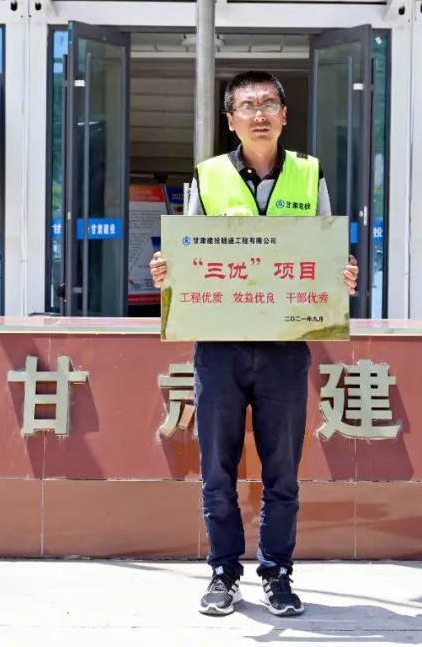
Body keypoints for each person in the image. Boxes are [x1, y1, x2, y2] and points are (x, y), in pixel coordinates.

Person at [149, 71, 358, 617]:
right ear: (230, 120)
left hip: (285, 346)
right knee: (217, 469)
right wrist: (167, 270)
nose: (258, 114)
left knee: (282, 471)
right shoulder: (208, 175)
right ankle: (223, 572)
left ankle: (277, 573)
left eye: (268, 104)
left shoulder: (310, 174)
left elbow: (327, 251)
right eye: (247, 106)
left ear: (285, 115)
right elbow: (188, 255)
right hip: (220, 347)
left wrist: (344, 273)